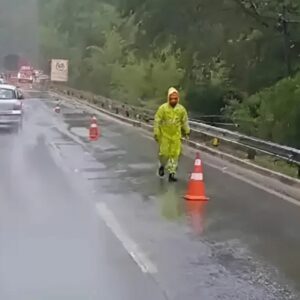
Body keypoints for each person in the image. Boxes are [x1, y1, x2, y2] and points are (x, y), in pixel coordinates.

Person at [154, 87, 190, 182]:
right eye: (171, 98)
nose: (173, 100)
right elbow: (157, 120)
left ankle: (172, 173)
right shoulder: (163, 108)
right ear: (168, 98)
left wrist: (187, 131)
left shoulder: (181, 109)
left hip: (176, 136)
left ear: (178, 98)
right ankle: (162, 166)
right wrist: (156, 132)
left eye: (175, 98)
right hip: (165, 135)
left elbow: (184, 121)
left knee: (175, 155)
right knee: (164, 154)